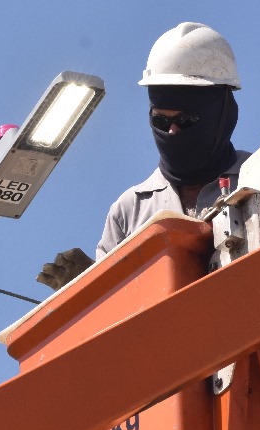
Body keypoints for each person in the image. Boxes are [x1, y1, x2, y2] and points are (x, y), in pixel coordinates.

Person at [36, 22, 249, 291]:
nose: (172, 131)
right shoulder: (129, 211)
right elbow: (113, 319)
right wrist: (87, 285)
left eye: (186, 120)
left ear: (223, 116)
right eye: (161, 121)